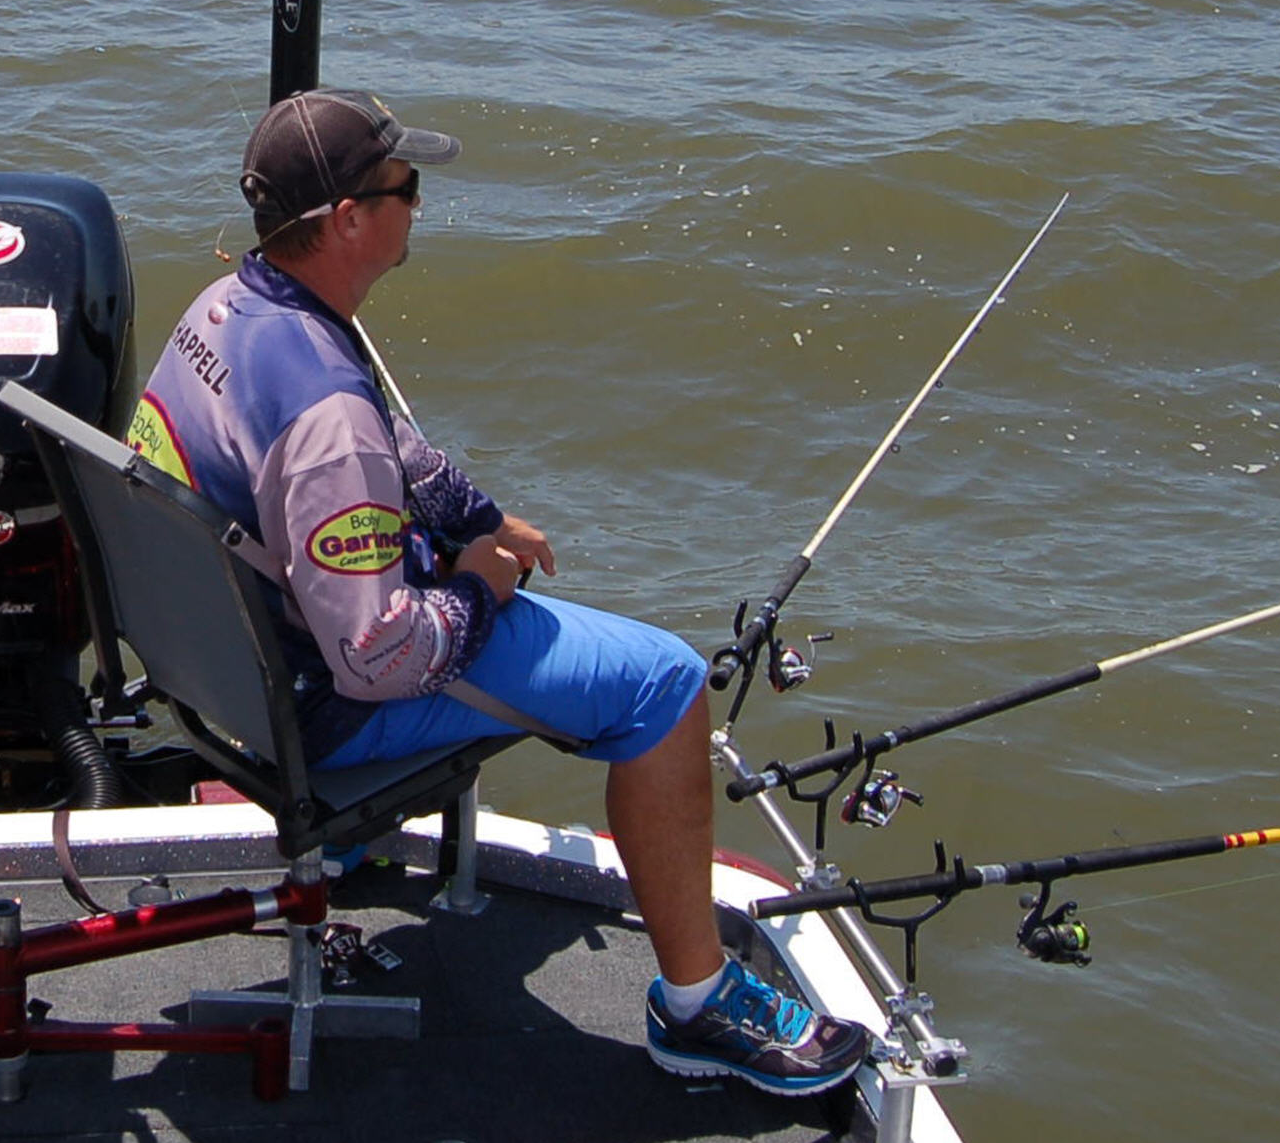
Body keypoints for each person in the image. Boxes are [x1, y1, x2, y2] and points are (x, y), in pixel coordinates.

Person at [124, 88, 867, 1097]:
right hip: (325, 705)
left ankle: (346, 842)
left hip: (224, 667)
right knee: (665, 685)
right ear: (349, 219)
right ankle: (700, 1005)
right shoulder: (326, 412)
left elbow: (390, 452)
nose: (417, 207)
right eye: (406, 188)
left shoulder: (233, 307)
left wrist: (478, 517)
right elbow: (377, 653)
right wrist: (480, 585)